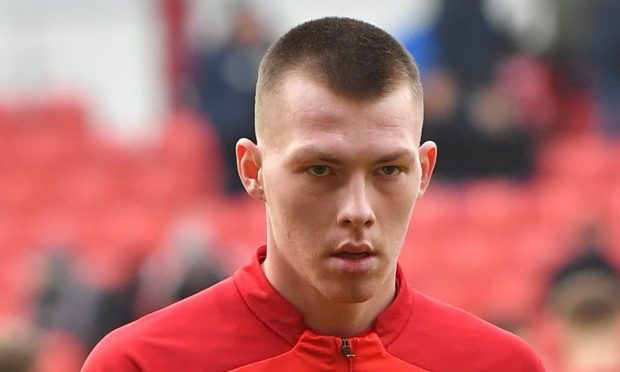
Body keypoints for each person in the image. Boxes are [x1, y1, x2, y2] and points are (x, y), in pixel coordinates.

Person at [82, 17, 545, 371]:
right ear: (253, 170)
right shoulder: (141, 364)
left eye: (388, 169)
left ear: (423, 172)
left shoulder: (501, 364)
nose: (358, 211)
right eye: (320, 169)